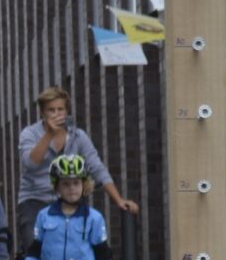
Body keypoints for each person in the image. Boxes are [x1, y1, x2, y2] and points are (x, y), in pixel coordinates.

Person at [15, 87, 137, 245]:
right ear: (42, 113)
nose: (56, 114)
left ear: (67, 111)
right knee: (34, 243)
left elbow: (97, 168)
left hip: (69, 198)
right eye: (51, 110)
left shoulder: (78, 136)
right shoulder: (30, 133)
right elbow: (30, 164)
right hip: (35, 199)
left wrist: (119, 200)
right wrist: (49, 134)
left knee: (83, 242)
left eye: (60, 109)